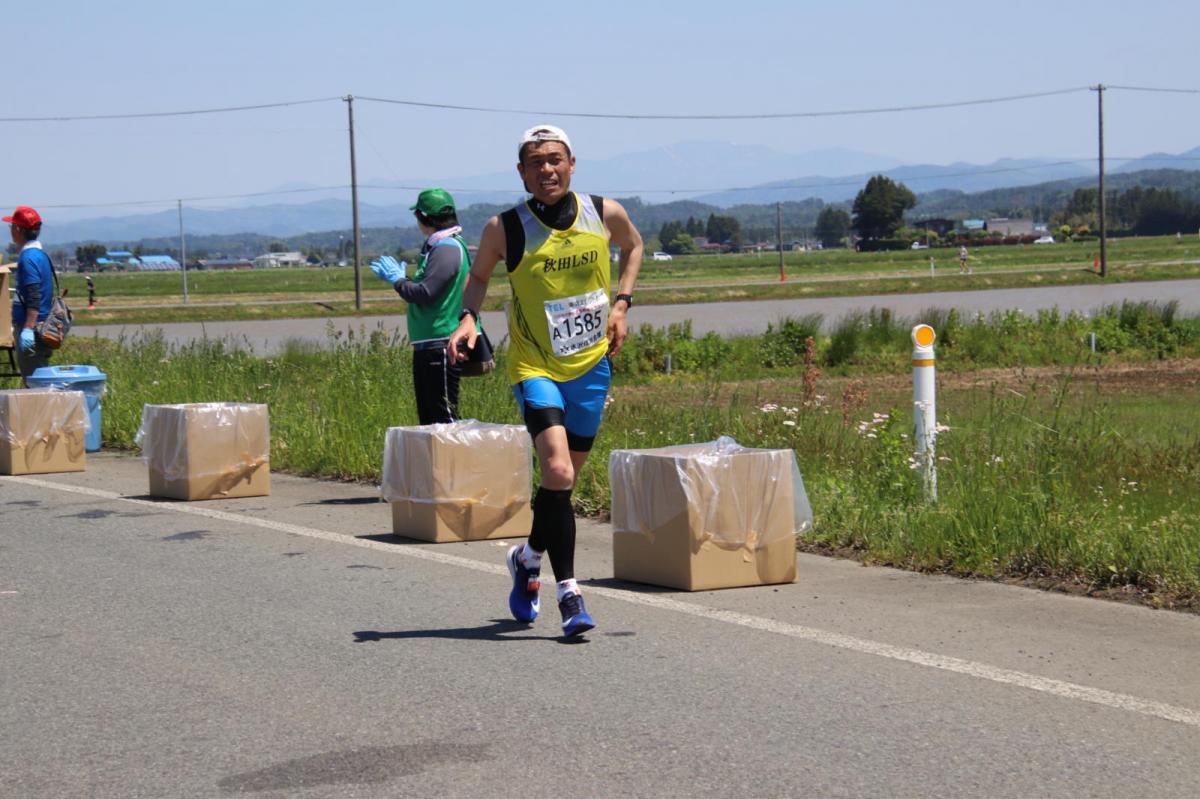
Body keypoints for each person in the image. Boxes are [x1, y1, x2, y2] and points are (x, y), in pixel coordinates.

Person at [447, 124, 643, 637]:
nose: (547, 169)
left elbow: (634, 246)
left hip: (592, 367)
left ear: (572, 163)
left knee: (561, 484)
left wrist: (622, 304)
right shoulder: (504, 228)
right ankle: (570, 593)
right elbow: (480, 276)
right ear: (522, 172)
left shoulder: (604, 213)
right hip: (535, 367)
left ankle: (528, 557)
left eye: (555, 160)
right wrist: (468, 318)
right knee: (557, 470)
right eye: (536, 162)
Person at [369, 188, 473, 425]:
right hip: (430, 343)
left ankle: (456, 461)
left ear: (424, 218)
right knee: (429, 420)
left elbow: (425, 293)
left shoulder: (446, 248)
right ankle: (438, 463)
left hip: (442, 343)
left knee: (442, 418)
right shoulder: (440, 246)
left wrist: (398, 281)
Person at [6, 206, 55, 384]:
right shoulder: (40, 254)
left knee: (36, 384)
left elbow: (34, 295)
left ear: (18, 230)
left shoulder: (27, 258)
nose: (10, 231)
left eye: (11, 226)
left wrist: (27, 329)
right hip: (42, 326)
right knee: (39, 378)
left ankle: (46, 412)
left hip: (32, 329)